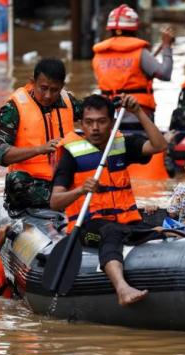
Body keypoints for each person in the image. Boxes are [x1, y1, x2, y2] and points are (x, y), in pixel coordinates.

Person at [50, 94, 167, 306]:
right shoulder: (71, 155)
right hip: (88, 228)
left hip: (126, 222)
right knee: (111, 232)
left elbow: (159, 145)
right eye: (89, 122)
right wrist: (80, 191)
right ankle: (122, 289)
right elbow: (55, 201)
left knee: (158, 229)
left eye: (102, 121)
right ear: (81, 124)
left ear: (112, 123)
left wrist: (138, 112)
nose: (95, 128)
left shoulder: (122, 144)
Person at [0, 58, 83, 212]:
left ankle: (66, 198)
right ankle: (60, 200)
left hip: (63, 180)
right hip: (32, 184)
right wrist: (39, 149)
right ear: (33, 82)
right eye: (43, 88)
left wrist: (115, 103)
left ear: (62, 86)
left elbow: (93, 113)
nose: (48, 95)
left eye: (54, 90)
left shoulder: (68, 101)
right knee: (16, 182)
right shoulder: (13, 108)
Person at [91, 3, 174, 131]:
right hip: (138, 116)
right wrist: (167, 46)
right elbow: (165, 74)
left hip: (108, 116)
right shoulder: (140, 53)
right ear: (134, 29)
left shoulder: (99, 54)